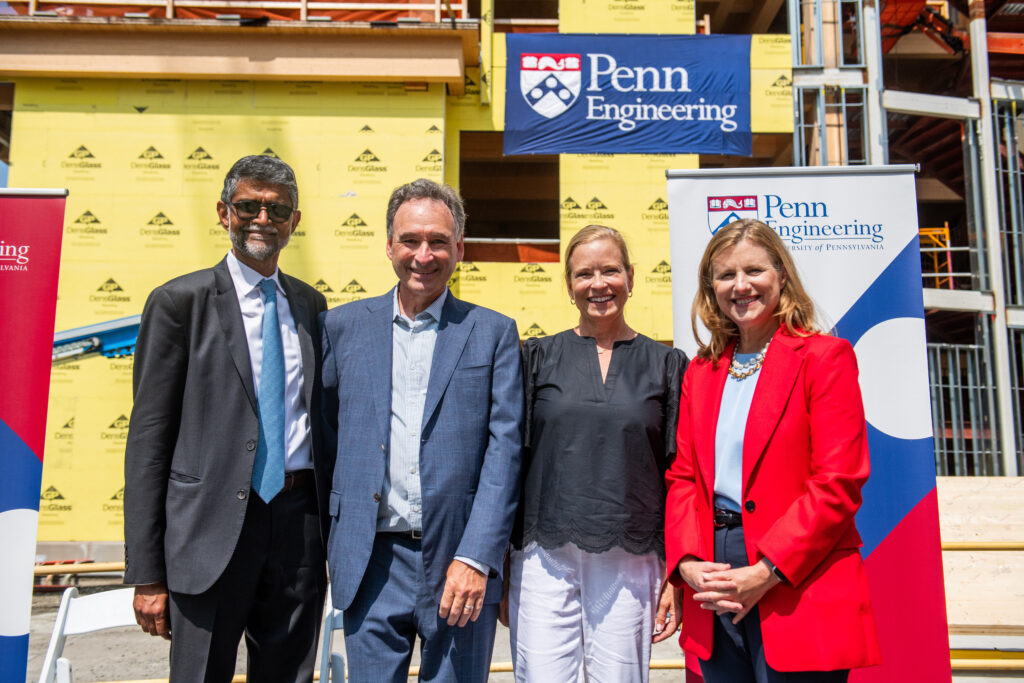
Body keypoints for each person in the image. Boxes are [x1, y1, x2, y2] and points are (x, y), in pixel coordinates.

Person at [123, 155, 330, 682]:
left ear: (294, 222)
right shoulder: (178, 303)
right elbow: (149, 441)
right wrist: (148, 575)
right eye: (248, 205)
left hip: (297, 527)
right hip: (207, 532)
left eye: (277, 209)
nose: (263, 218)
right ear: (223, 212)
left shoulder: (310, 304)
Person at [320, 178, 523, 682]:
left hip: (459, 562)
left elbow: (505, 452)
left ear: (459, 248)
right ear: (389, 245)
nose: (423, 255)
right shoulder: (341, 328)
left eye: (438, 241)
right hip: (370, 562)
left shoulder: (493, 332)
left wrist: (477, 558)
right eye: (410, 240)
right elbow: (327, 438)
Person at [665, 218, 881, 682]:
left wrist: (766, 571)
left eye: (754, 271)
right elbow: (683, 477)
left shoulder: (825, 358)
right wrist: (686, 563)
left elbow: (838, 482)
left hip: (796, 575)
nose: (741, 286)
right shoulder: (700, 373)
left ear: (781, 276)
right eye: (725, 275)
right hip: (713, 571)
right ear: (711, 289)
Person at [506, 225, 688, 682]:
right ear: (569, 286)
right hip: (541, 553)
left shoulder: (667, 364)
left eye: (610, 271)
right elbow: (509, 461)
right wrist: (499, 563)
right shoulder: (535, 357)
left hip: (633, 552)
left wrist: (676, 569)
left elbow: (680, 472)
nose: (598, 284)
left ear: (631, 276)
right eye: (584, 274)